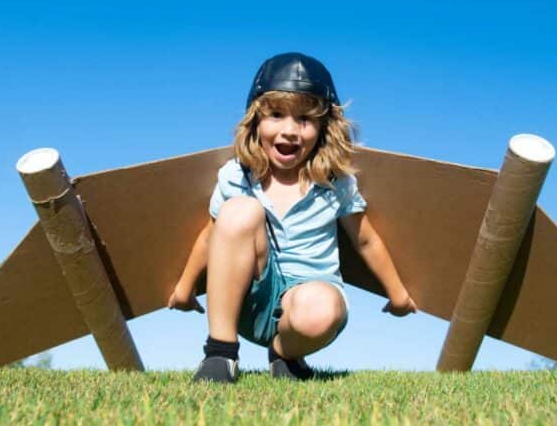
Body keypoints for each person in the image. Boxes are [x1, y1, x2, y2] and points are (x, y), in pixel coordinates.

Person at [167, 52, 417, 383]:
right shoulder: (237, 176)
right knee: (240, 210)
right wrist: (184, 288)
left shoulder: (334, 183)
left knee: (320, 309)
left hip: (306, 307)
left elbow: (366, 239)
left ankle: (284, 355)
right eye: (276, 115)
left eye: (304, 119)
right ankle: (220, 353)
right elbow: (212, 235)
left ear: (324, 126)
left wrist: (397, 294)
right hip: (248, 299)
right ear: (255, 120)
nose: (289, 131)